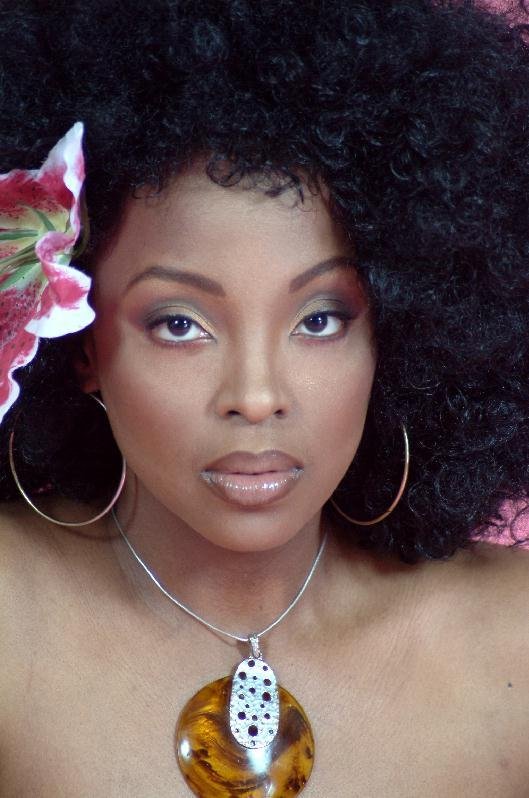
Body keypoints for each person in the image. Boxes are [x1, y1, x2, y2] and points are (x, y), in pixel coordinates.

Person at [1, 1, 529, 795]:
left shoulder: (511, 645)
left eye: (319, 319)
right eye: (179, 324)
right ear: (81, 345)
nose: (255, 397)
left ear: (401, 329)